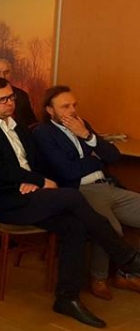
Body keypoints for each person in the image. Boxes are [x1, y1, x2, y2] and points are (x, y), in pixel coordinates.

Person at [0, 78, 140, 328]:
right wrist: (35, 180)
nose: (9, 103)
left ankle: (67, 298)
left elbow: (36, 162)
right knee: (71, 196)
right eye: (2, 100)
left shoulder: (17, 125)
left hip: (26, 194)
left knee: (74, 225)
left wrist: (34, 180)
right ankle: (126, 256)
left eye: (11, 97)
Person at [34, 85, 140, 299]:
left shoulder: (82, 124)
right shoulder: (43, 133)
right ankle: (98, 278)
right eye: (65, 107)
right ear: (50, 110)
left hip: (107, 185)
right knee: (110, 228)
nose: (72, 110)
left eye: (74, 105)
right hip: (80, 190)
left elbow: (113, 156)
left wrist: (86, 135)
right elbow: (67, 171)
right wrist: (95, 160)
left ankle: (126, 273)